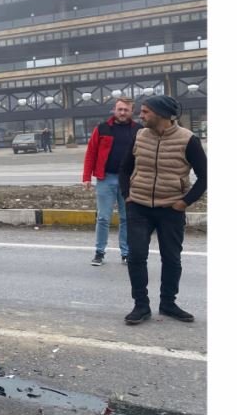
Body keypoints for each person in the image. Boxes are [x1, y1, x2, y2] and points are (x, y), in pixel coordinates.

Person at [119, 95, 207, 325]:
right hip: (139, 207)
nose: (141, 115)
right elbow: (124, 169)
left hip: (171, 209)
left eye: (146, 112)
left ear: (161, 114)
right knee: (136, 256)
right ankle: (141, 305)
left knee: (172, 258)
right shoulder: (140, 136)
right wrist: (127, 195)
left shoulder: (188, 140)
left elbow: (205, 177)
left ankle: (168, 303)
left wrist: (184, 202)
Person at [81, 97, 141, 266]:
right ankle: (99, 253)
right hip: (105, 178)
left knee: (126, 218)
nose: (122, 113)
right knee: (103, 218)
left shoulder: (139, 130)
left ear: (132, 112)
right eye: (119, 109)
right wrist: (86, 177)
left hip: (129, 180)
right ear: (114, 110)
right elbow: (91, 152)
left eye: (126, 110)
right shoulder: (102, 128)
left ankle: (126, 253)